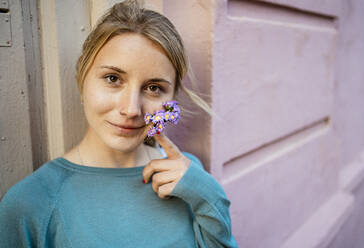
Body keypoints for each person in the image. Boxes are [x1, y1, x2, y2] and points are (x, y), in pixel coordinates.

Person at [0, 1, 238, 247]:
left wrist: (209, 195)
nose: (131, 109)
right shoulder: (30, 203)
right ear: (82, 79)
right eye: (113, 79)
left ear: (171, 100)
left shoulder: (188, 175)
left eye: (154, 88)